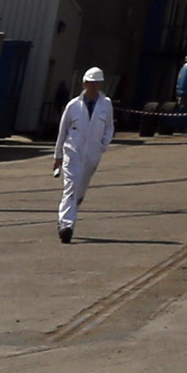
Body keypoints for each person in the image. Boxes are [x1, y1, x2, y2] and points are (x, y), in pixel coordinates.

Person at [52, 66, 116, 244]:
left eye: (97, 83)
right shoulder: (73, 105)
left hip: (92, 154)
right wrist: (57, 156)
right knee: (71, 188)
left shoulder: (106, 104)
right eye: (90, 83)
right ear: (84, 83)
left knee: (80, 190)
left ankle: (67, 218)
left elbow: (109, 126)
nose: (93, 86)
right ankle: (66, 226)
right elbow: (62, 131)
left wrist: (103, 144)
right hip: (72, 152)